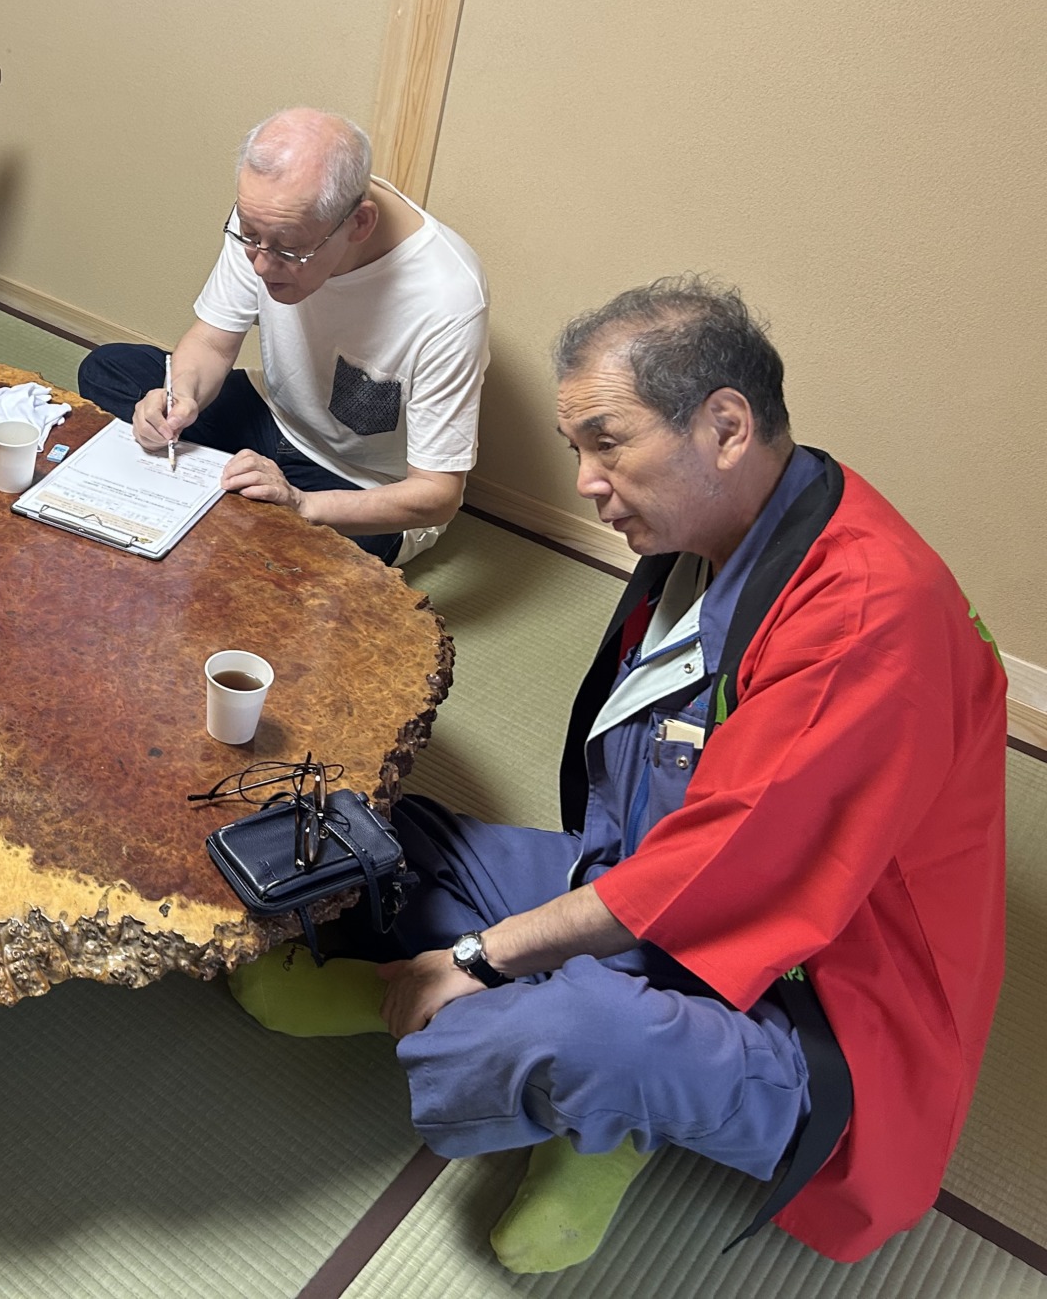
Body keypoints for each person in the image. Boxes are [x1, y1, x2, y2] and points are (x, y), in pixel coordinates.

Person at [231, 278, 1007, 1271]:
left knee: (573, 1026)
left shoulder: (862, 620)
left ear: (724, 427)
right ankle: (472, 1014)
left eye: (607, 444)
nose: (586, 483)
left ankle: (579, 1103)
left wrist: (474, 960)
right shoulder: (739, 525)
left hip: (816, 993)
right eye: (577, 450)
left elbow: (710, 877)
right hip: (665, 882)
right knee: (389, 834)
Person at [78, 108, 488, 565]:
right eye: (250, 236)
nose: (261, 264)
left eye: (289, 250)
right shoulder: (270, 216)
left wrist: (302, 505)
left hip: (355, 481)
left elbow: (437, 494)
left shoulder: (447, 298)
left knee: (318, 566)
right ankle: (241, 501)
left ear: (359, 224)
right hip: (271, 415)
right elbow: (212, 342)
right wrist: (180, 398)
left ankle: (237, 503)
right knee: (109, 369)